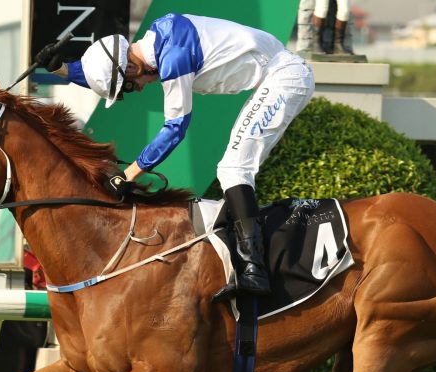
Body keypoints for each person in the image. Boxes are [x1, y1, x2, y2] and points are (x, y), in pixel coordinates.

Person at [40, 14, 315, 301]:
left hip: (284, 77)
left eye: (130, 85)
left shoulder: (173, 57)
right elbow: (111, 69)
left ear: (132, 67)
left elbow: (175, 128)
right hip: (277, 76)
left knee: (234, 169)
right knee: (232, 169)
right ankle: (246, 264)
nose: (140, 88)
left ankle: (254, 271)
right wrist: (61, 69)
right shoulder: (157, 42)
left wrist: (128, 175)